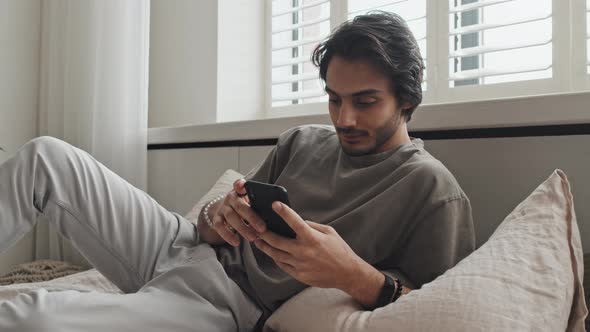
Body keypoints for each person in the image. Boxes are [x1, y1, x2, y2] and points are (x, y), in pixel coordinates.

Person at [0, 11, 474, 332]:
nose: (344, 119)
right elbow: (210, 226)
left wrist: (352, 274)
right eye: (334, 99)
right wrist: (219, 214)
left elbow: (435, 310)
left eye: (365, 102)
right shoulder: (301, 141)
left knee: (30, 317)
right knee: (46, 156)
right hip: (181, 244)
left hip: (227, 303)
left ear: (408, 99)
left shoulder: (430, 189)